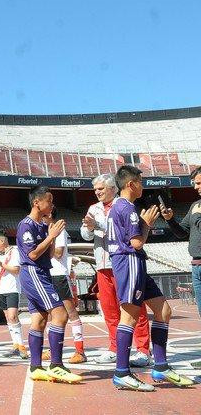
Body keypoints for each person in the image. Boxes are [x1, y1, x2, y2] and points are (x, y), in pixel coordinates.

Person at [107, 165, 193, 391]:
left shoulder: (120, 206)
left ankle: (161, 367)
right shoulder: (128, 209)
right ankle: (122, 372)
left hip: (135, 263)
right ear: (131, 184)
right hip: (129, 262)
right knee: (130, 317)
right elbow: (136, 243)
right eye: (140, 182)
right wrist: (147, 225)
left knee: (164, 310)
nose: (142, 186)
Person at [81, 173, 151, 366]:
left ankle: (143, 349)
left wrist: (97, 224)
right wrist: (88, 228)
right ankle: (115, 347)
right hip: (103, 265)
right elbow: (86, 235)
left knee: (134, 306)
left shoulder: (123, 204)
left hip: (124, 263)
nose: (97, 192)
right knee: (109, 309)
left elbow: (117, 227)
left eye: (101, 189)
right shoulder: (93, 208)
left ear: (113, 188)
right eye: (95, 189)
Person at [17, 186, 81, 383]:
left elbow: (51, 254)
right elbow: (33, 254)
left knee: (39, 319)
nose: (52, 204)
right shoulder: (25, 225)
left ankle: (35, 367)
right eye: (49, 200)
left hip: (42, 272)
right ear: (37, 203)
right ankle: (56, 365)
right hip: (33, 273)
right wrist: (51, 236)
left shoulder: (43, 225)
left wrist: (51, 231)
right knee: (60, 314)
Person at [43, 209, 86, 364]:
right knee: (51, 314)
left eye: (43, 216)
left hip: (59, 275)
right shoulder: (46, 231)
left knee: (70, 311)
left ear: (48, 216)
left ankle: (80, 351)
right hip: (47, 275)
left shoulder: (59, 229)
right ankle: (51, 348)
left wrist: (47, 241)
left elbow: (59, 253)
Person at [161, 167, 201, 318]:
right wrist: (170, 220)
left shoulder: (197, 210)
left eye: (198, 183)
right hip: (196, 266)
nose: (195, 187)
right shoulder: (195, 205)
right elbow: (182, 232)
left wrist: (198, 217)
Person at [0, 230, 27, 359]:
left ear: (2, 241)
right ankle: (15, 345)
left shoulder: (14, 252)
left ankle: (21, 346)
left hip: (12, 288)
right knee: (8, 318)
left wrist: (0, 264)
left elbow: (16, 270)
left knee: (13, 317)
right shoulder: (1, 256)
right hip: (2, 289)